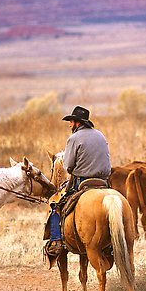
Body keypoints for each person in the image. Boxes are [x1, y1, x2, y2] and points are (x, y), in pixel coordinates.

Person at [44, 106, 111, 257]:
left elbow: (68, 166)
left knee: (56, 206)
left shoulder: (74, 138)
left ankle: (56, 241)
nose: (69, 125)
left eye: (71, 121)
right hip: (104, 181)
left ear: (77, 123)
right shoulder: (100, 135)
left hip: (83, 181)